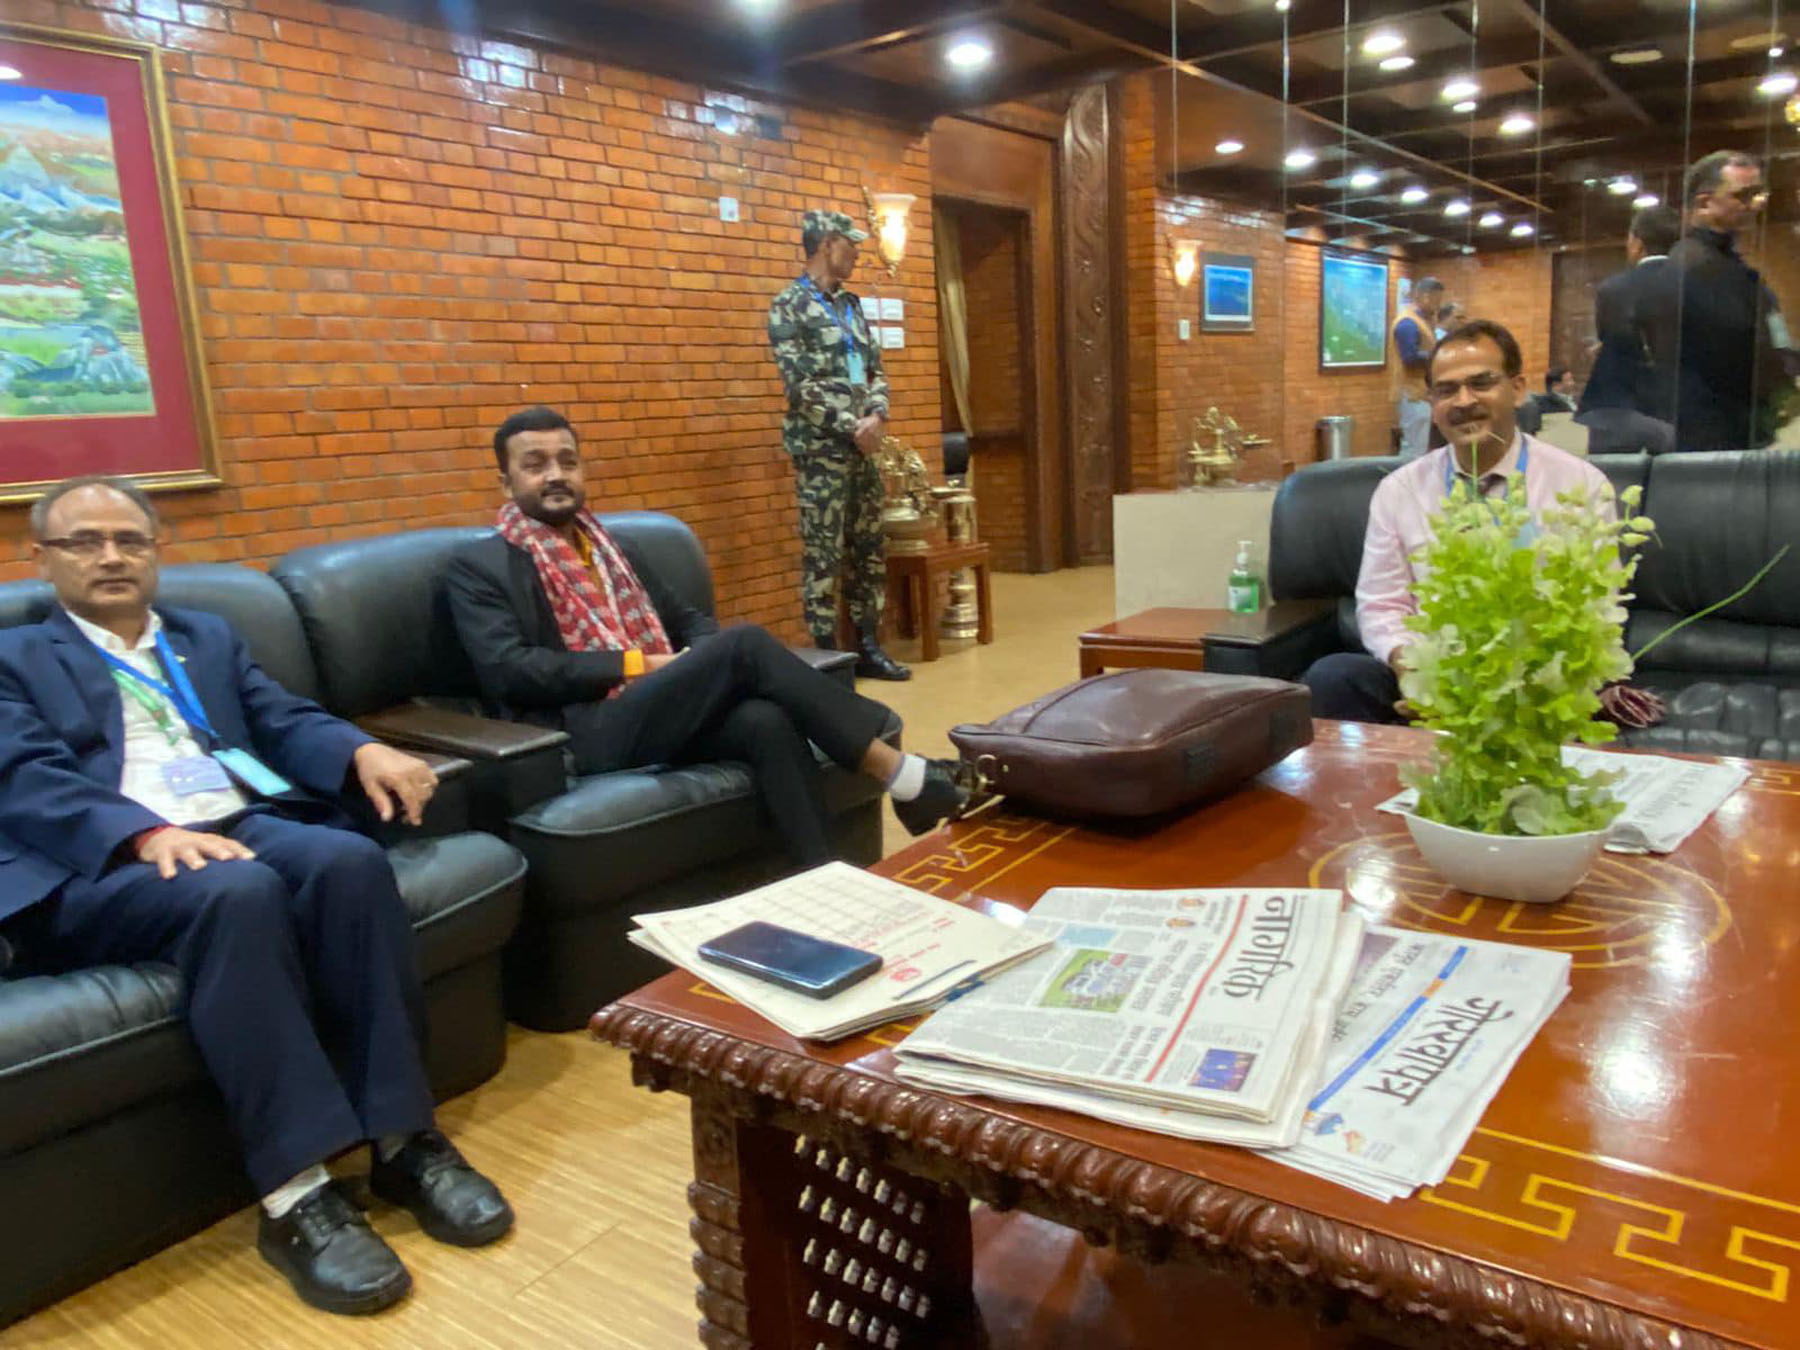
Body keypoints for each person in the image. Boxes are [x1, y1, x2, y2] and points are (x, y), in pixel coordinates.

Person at [0, 477, 512, 1316]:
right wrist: (142, 833)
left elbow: (283, 718)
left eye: (130, 539)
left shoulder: (204, 636)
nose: (111, 556)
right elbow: (22, 777)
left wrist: (359, 751)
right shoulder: (14, 657)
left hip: (233, 823)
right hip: (100, 863)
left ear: (156, 551)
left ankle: (402, 1140)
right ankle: (295, 1195)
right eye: (84, 542)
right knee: (237, 892)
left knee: (346, 861)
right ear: (42, 559)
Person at [445, 407, 970, 867]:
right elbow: (509, 669)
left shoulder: (614, 550)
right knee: (743, 644)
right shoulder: (480, 566)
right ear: (506, 483)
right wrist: (639, 665)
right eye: (535, 465)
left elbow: (689, 618)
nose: (556, 475)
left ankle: (823, 875)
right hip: (577, 731)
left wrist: (695, 664)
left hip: (651, 709)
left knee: (763, 720)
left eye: (567, 461)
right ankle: (899, 770)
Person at [1302, 321, 1664, 730]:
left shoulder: (1578, 484)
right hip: (1437, 670)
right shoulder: (1400, 491)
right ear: (1432, 402)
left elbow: (1597, 605)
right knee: (1333, 677)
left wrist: (1524, 679)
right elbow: (1382, 604)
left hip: (1537, 679)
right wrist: (1413, 671)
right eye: (1446, 390)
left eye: (1481, 383)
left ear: (1517, 389)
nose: (1463, 401)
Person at [766, 208, 910, 681]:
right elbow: (799, 387)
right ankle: (829, 661)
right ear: (826, 244)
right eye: (850, 245)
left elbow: (875, 371)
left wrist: (878, 415)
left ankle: (868, 646)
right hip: (822, 453)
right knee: (824, 557)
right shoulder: (789, 306)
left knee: (869, 549)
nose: (857, 254)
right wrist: (853, 426)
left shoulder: (851, 306)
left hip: (862, 451)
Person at [1647, 150, 1797, 450]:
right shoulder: (1693, 267)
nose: (1757, 204)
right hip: (1709, 441)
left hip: (1732, 435)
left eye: (1760, 193)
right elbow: (1737, 351)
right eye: (1744, 195)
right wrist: (1782, 386)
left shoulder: (1728, 267)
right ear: (1705, 203)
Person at [1576, 204, 1680, 455]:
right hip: (1685, 411)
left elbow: (1611, 342)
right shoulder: (1698, 285)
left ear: (1637, 243)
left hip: (1624, 412)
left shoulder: (1613, 290)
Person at [1390, 277, 1444, 457]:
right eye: (1436, 300)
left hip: (1420, 392)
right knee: (1415, 449)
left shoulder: (1422, 321)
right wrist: (1438, 355)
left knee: (1419, 446)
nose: (1438, 307)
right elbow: (1409, 357)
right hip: (1411, 393)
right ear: (1425, 296)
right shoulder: (1407, 323)